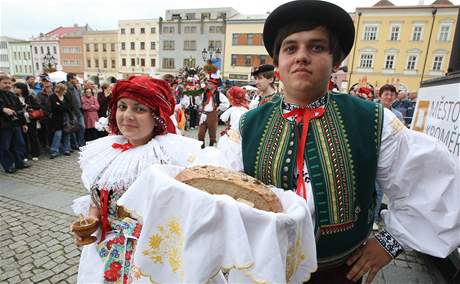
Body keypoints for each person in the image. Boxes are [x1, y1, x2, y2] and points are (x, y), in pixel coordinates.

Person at [230, 1, 460, 283]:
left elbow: (433, 186)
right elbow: (217, 192)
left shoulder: (373, 120)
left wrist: (389, 244)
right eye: (291, 48)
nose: (302, 56)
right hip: (264, 270)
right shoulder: (247, 124)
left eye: (316, 47)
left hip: (339, 272)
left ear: (335, 61)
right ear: (277, 62)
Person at [73, 75, 227, 283]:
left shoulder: (173, 157)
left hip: (152, 258)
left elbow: (190, 215)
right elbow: (97, 199)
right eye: (122, 106)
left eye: (139, 109)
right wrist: (92, 220)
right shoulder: (105, 151)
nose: (127, 115)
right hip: (104, 253)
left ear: (157, 116)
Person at [0, 75, 29, 173]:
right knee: (5, 147)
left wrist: (24, 123)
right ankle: (8, 166)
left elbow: (20, 109)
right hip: (3, 126)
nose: (7, 85)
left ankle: (19, 163)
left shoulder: (13, 95)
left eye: (9, 83)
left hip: (15, 124)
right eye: (4, 83)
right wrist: (2, 109)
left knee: (20, 144)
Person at [217, 86, 249, 169]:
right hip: (242, 136)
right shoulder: (246, 109)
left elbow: (223, 118)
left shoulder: (232, 109)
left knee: (228, 152)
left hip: (232, 135)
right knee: (238, 154)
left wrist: (229, 124)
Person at [13, 82, 43, 161]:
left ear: (22, 89)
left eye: (17, 88)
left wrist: (28, 106)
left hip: (31, 119)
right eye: (15, 87)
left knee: (33, 136)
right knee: (23, 138)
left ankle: (35, 153)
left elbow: (38, 106)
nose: (15, 89)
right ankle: (25, 155)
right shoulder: (13, 97)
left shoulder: (29, 97)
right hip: (21, 120)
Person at [197, 78, 229, 148]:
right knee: (200, 134)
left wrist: (219, 108)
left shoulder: (219, 94)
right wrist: (199, 97)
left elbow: (226, 103)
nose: (208, 85)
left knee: (212, 134)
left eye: (210, 84)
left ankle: (211, 148)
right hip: (204, 114)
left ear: (215, 86)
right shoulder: (204, 93)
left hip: (212, 114)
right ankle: (202, 149)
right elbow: (199, 103)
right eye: (208, 83)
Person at [49, 83, 73, 158]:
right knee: (58, 134)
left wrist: (61, 106)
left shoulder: (65, 97)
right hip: (57, 118)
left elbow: (68, 107)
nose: (65, 91)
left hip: (66, 117)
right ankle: (54, 151)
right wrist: (63, 107)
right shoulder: (53, 97)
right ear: (60, 90)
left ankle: (67, 149)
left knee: (67, 133)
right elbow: (55, 108)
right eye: (64, 90)